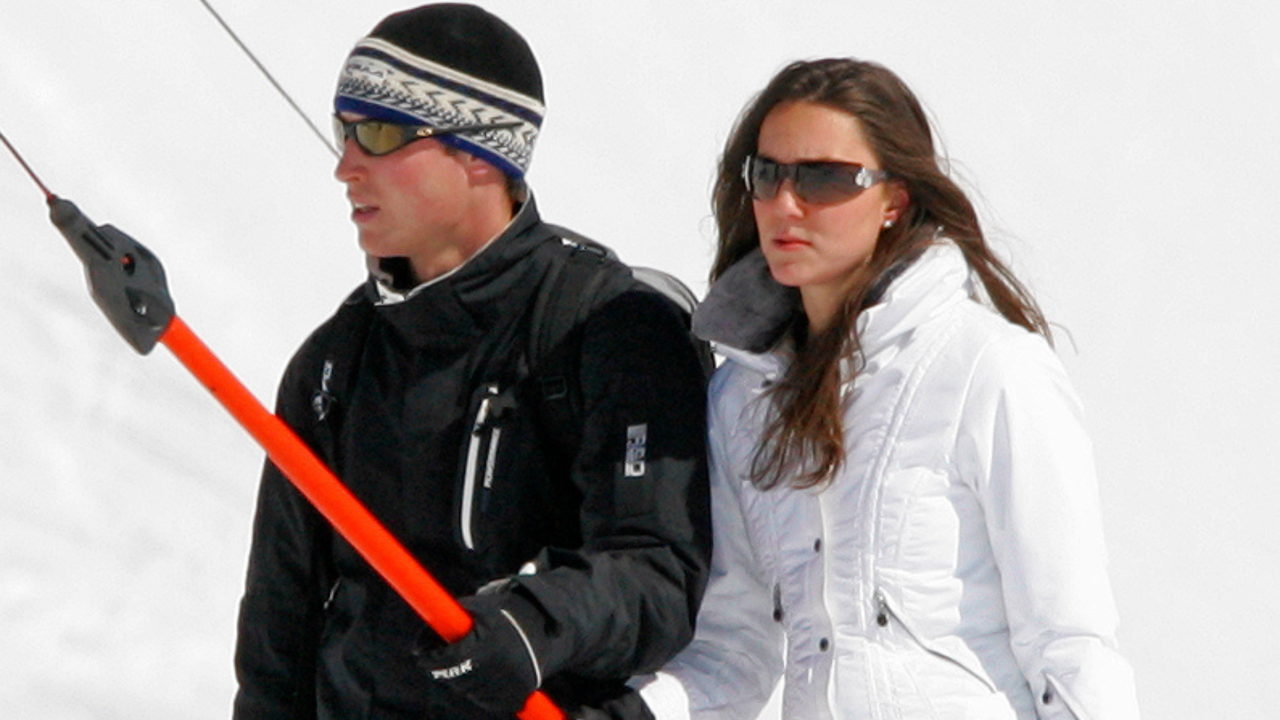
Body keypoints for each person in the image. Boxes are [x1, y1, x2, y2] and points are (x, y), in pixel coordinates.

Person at [231, 5, 711, 720]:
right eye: (343, 129)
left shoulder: (610, 330)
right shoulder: (336, 362)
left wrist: (527, 625)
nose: (344, 165)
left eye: (379, 133)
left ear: (486, 151)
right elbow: (279, 633)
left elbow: (655, 572)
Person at [640, 58, 1141, 719]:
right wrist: (637, 713)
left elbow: (1069, 641)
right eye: (768, 175)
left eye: (823, 178)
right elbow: (735, 649)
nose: (786, 204)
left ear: (893, 201)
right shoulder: (740, 399)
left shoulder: (989, 369)